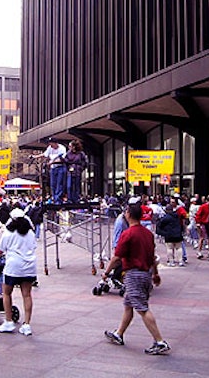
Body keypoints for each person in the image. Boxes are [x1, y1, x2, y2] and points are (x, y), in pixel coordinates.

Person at [103, 203, 170, 355]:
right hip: (145, 274)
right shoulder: (147, 234)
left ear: (128, 214)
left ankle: (159, 341)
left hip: (134, 274)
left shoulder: (128, 234)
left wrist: (106, 273)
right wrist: (155, 273)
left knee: (142, 308)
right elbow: (152, 256)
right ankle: (119, 334)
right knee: (128, 304)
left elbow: (117, 258)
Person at [0, 208, 37, 336]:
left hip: (13, 266)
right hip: (29, 266)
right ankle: (27, 324)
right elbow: (33, 247)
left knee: (7, 293)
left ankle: (8, 321)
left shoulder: (8, 232)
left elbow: (0, 251)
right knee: (27, 295)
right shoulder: (30, 233)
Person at [31, 137, 67, 204]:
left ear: (56, 143)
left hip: (60, 167)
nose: (51, 145)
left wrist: (52, 162)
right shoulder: (50, 148)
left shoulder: (62, 148)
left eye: (51, 144)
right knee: (53, 184)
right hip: (53, 168)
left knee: (59, 184)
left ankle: (58, 199)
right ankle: (54, 198)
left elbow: (61, 158)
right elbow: (44, 154)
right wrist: (35, 156)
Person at [64, 139, 88, 203]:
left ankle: (76, 199)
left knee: (77, 186)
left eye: (70, 146)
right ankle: (70, 199)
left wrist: (80, 168)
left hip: (77, 171)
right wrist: (68, 168)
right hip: (70, 171)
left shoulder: (81, 154)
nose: (69, 147)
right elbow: (65, 161)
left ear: (74, 146)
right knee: (69, 186)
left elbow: (84, 162)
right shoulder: (68, 154)